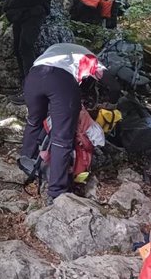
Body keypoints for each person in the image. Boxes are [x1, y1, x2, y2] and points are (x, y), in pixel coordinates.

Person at [17, 43, 119, 204]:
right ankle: (56, 191)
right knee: (62, 137)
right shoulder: (88, 56)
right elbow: (111, 83)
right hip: (60, 81)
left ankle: (26, 161)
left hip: (34, 77)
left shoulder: (56, 49)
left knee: (34, 121)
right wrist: (113, 102)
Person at [3, 0, 62, 105]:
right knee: (17, 47)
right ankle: (25, 85)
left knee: (26, 46)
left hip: (35, 9)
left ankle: (32, 89)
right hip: (18, 9)